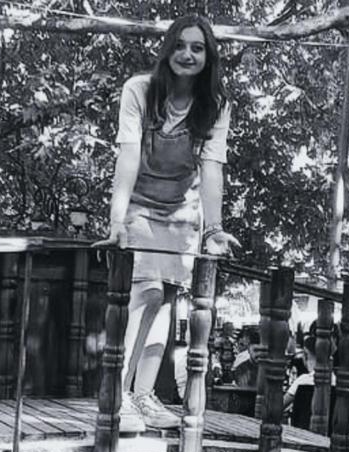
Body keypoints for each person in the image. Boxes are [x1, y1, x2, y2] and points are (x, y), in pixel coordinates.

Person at [94, 15, 239, 430]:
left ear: (208, 57)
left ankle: (144, 396)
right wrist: (117, 220)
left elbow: (211, 168)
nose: (187, 55)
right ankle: (116, 395)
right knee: (148, 291)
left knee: (166, 302)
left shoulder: (216, 105)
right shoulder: (139, 90)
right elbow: (128, 155)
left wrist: (214, 229)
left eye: (197, 48)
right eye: (180, 45)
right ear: (168, 50)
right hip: (140, 206)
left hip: (181, 212)